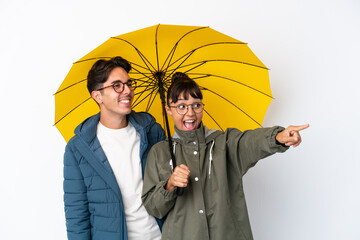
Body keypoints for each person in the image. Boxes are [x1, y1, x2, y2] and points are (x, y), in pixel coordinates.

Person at [141, 72, 309, 240]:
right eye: (182, 106)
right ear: (168, 110)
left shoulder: (225, 142)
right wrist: (169, 185)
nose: (190, 113)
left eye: (196, 105)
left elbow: (251, 142)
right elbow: (153, 208)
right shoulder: (159, 152)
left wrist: (277, 137)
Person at [63, 56, 166, 240]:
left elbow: (170, 190)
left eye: (128, 83)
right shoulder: (79, 148)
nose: (127, 91)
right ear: (97, 95)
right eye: (117, 86)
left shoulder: (151, 131)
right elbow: (77, 214)